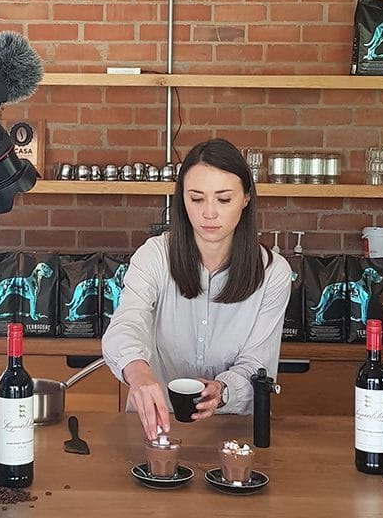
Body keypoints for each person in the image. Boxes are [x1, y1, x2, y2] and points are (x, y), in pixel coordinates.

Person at [101, 138, 292, 441]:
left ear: (246, 198)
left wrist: (223, 390)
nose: (209, 213)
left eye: (224, 199)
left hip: (234, 432)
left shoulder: (273, 273)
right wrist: (138, 374)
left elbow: (257, 365)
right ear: (182, 201)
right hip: (155, 428)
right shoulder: (155, 256)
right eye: (197, 199)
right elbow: (127, 321)